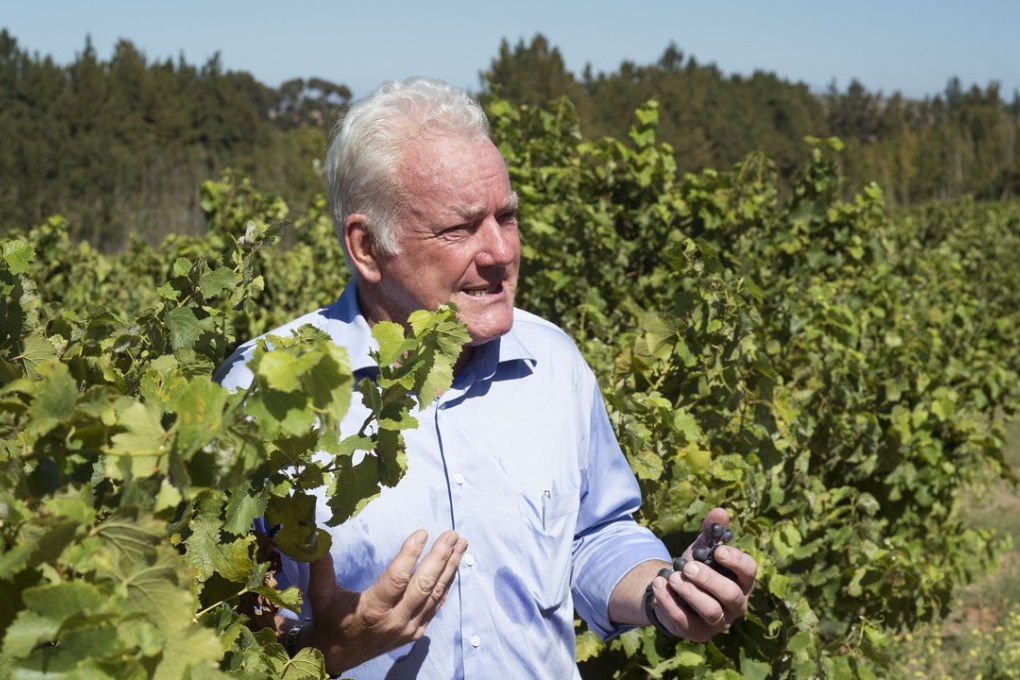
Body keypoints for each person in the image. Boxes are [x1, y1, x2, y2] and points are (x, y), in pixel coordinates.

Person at [216, 77, 757, 679]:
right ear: (367, 248)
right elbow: (219, 630)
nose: (500, 252)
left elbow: (592, 534)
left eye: (507, 216)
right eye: (459, 228)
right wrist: (328, 649)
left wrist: (662, 593)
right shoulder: (260, 389)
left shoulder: (552, 362)